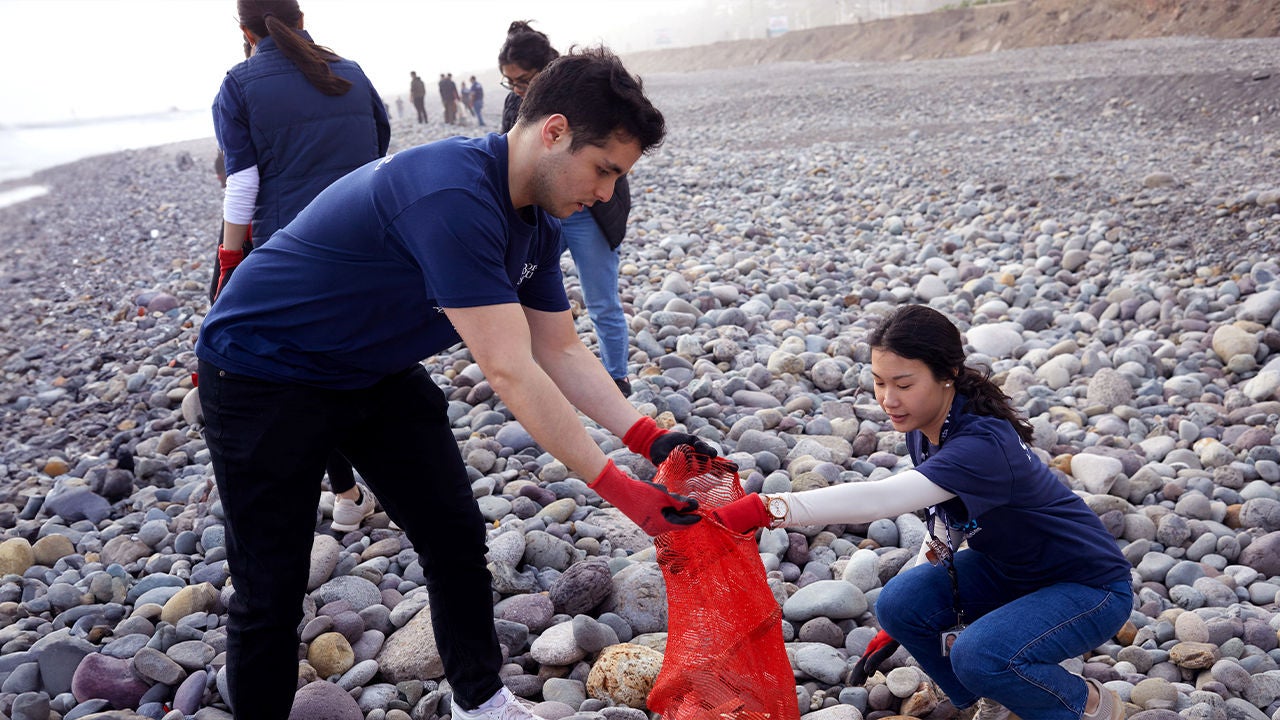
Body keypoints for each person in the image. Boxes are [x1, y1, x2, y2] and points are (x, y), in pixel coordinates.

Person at [196, 46, 710, 720]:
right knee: (272, 587)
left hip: (370, 371)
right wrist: (626, 496)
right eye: (604, 170)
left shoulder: (535, 224)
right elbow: (510, 368)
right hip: (261, 371)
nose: (608, 194)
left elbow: (558, 349)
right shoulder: (452, 191)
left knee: (455, 537)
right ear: (553, 131)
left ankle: (481, 701)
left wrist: (650, 439)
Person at [713, 305, 1132, 720]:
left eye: (903, 384)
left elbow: (879, 499)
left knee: (977, 653)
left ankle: (1087, 704)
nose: (888, 399)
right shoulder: (927, 426)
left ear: (947, 374)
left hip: (1088, 588)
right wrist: (902, 621)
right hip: (1011, 570)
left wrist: (764, 508)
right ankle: (997, 699)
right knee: (899, 603)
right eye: (878, 382)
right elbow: (945, 523)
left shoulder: (981, 444)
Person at [210, 0, 391, 534]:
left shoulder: (239, 83)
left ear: (243, 30)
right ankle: (403, 492)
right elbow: (380, 151)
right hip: (372, 238)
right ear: (302, 20)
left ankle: (346, 493)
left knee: (306, 372)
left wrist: (228, 262)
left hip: (292, 251)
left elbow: (241, 184)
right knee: (378, 364)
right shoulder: (352, 73)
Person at [499, 20, 634, 396]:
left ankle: (616, 378)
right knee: (517, 289)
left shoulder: (588, 95)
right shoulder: (516, 103)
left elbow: (614, 158)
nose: (518, 90)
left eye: (524, 80)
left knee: (601, 298)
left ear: (546, 66)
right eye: (509, 82)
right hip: (541, 215)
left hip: (589, 217)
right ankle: (528, 377)